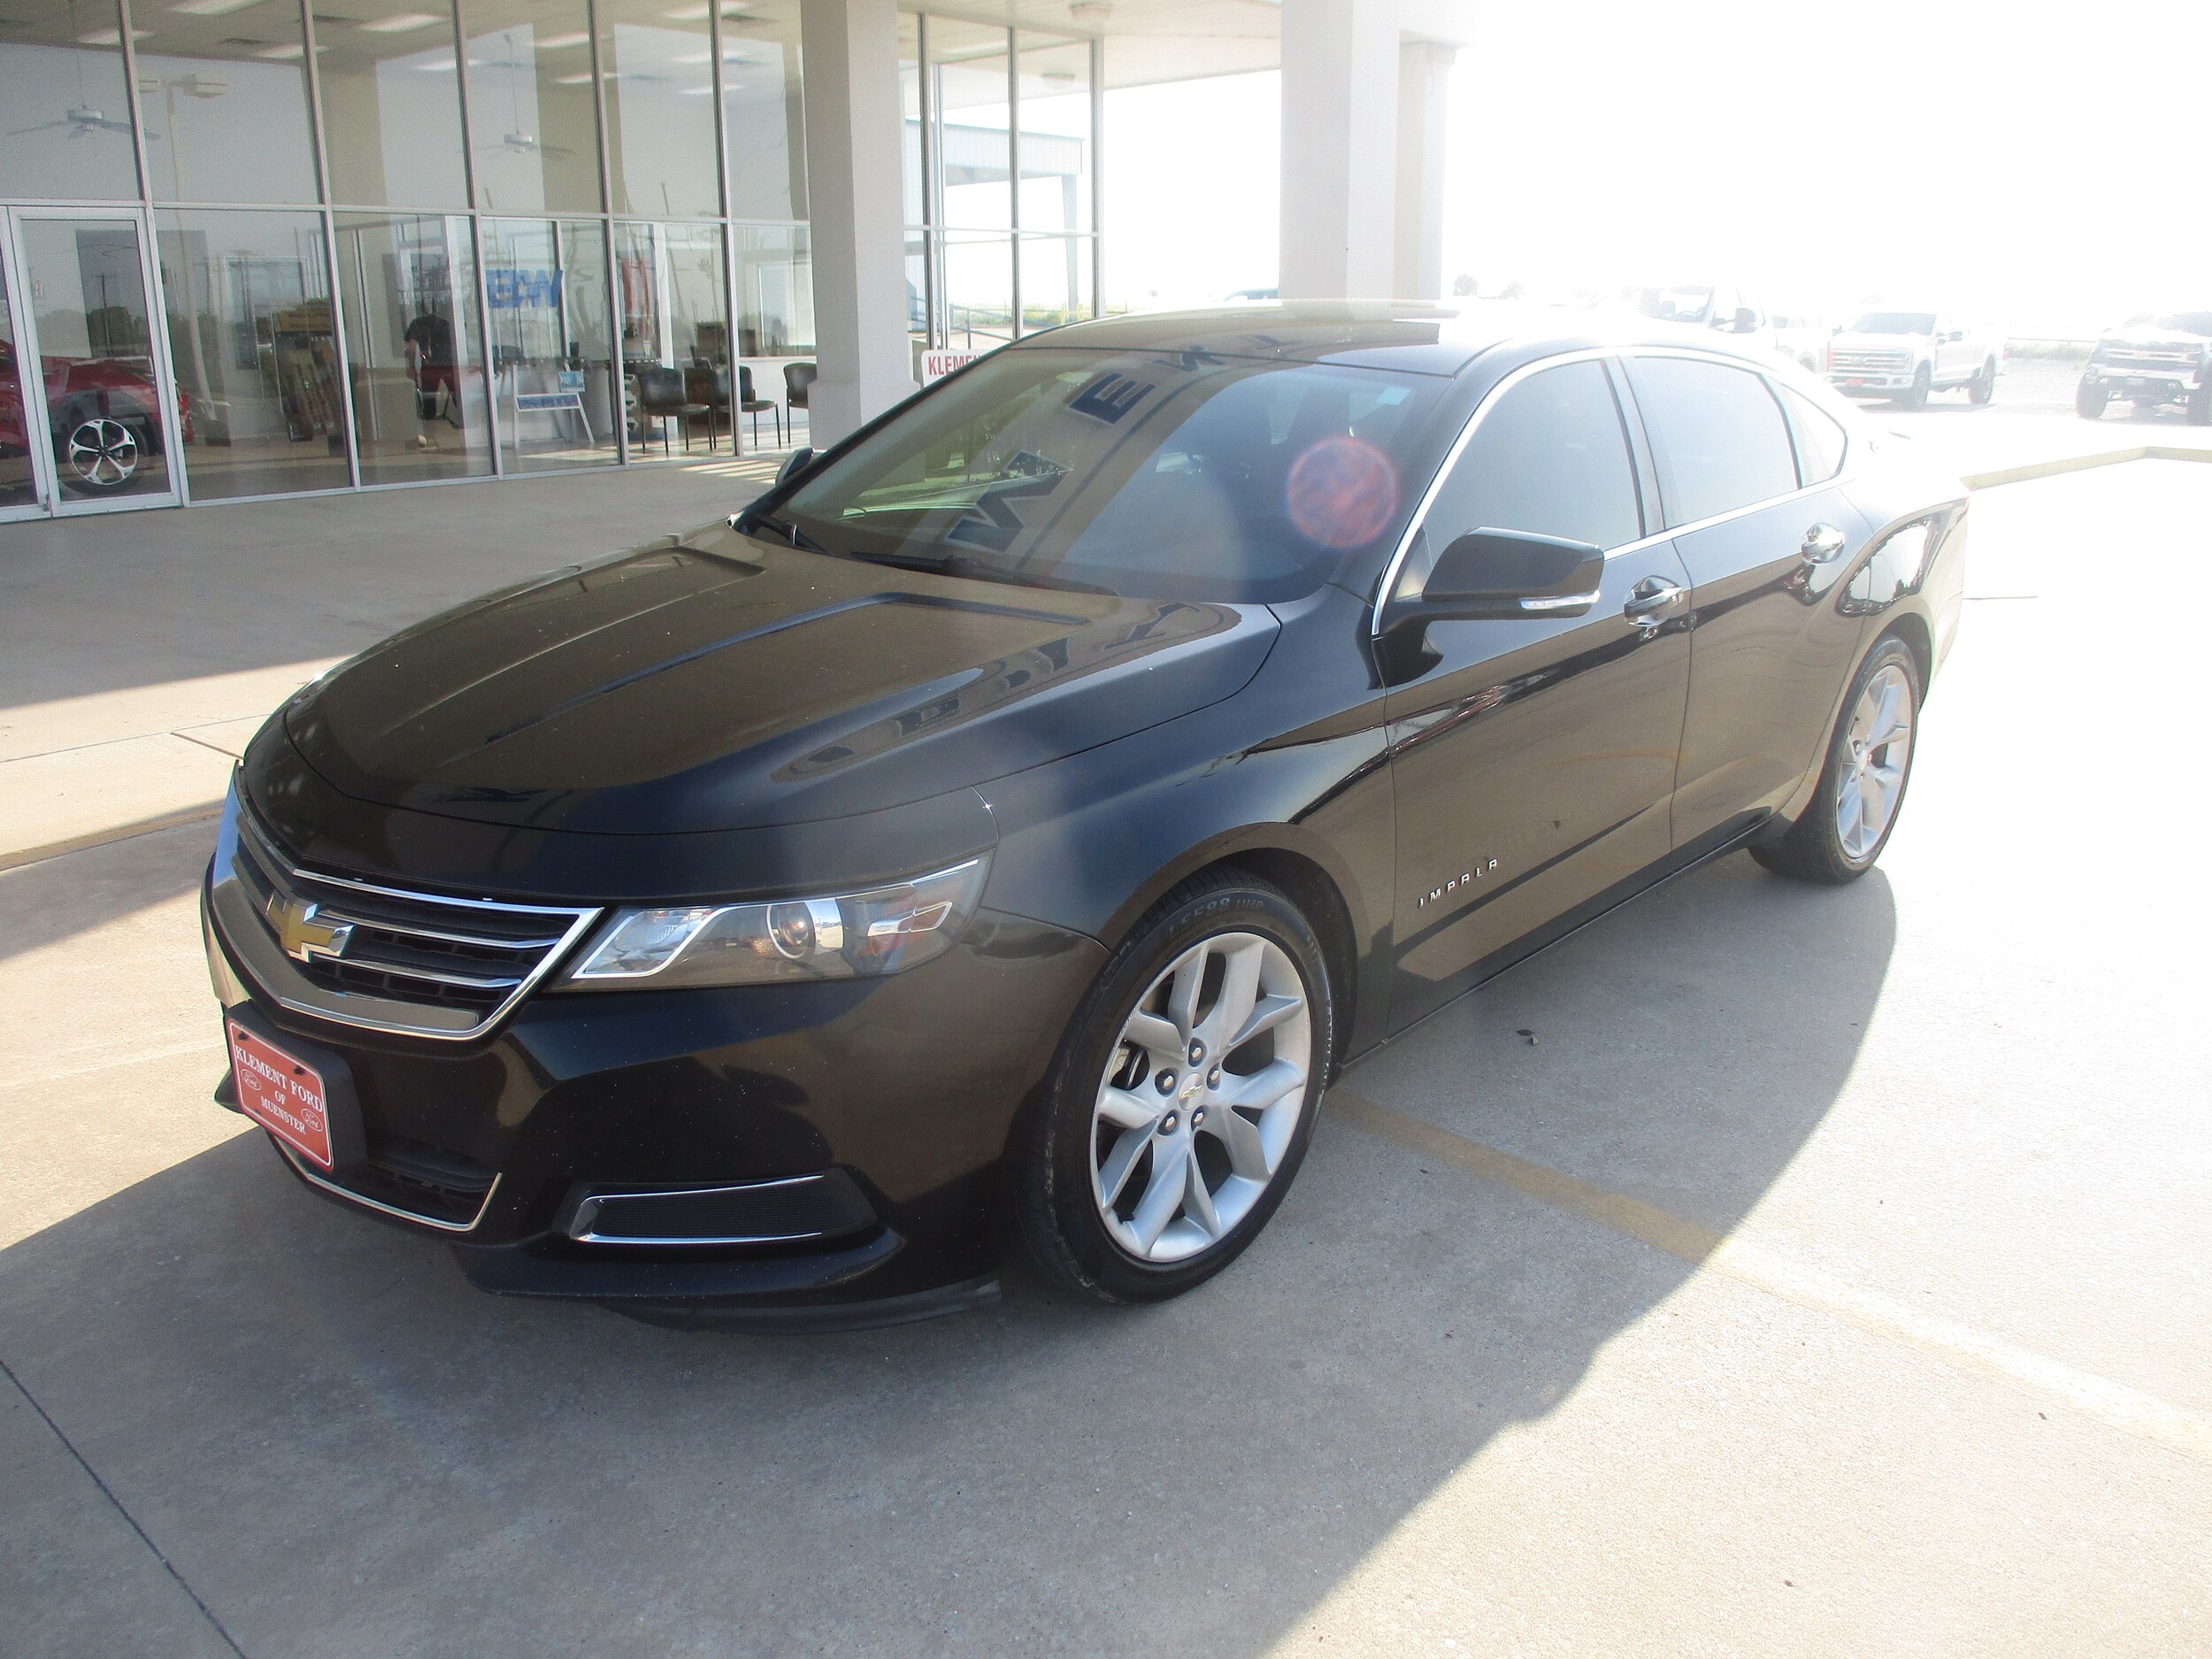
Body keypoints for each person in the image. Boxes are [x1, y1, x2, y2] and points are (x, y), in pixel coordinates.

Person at [403, 306, 460, 447]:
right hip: (448, 364)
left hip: (430, 366)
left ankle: (430, 437)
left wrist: (411, 367)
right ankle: (464, 433)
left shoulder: (417, 323)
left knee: (429, 400)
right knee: (457, 396)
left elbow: (411, 347)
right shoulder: (444, 323)